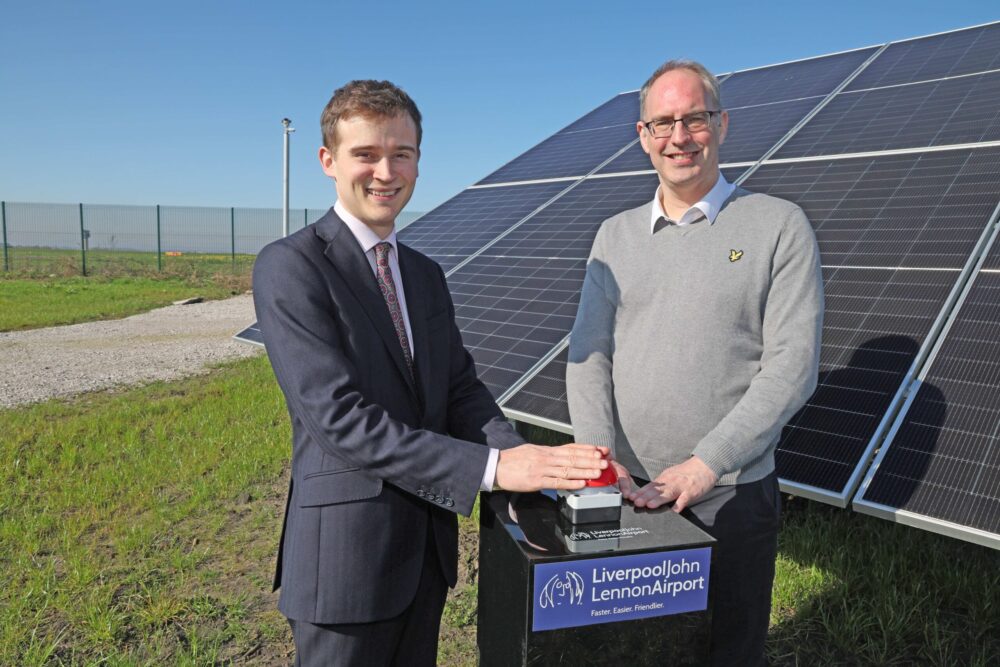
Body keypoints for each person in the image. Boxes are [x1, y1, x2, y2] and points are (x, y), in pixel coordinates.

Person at [253, 79, 608, 667]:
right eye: (366, 154)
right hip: (346, 562)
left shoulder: (423, 273)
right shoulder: (291, 266)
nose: (385, 172)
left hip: (425, 554)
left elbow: (460, 389)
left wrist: (528, 462)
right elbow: (341, 420)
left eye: (402, 154)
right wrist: (495, 467)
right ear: (328, 161)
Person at [566, 60, 823, 666]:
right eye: (662, 122)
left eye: (694, 118)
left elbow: (792, 367)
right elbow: (587, 356)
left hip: (729, 495)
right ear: (642, 134)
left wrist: (705, 466)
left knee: (725, 650)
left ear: (722, 124)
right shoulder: (614, 236)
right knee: (626, 649)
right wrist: (603, 465)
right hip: (626, 490)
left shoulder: (778, 226)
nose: (678, 136)